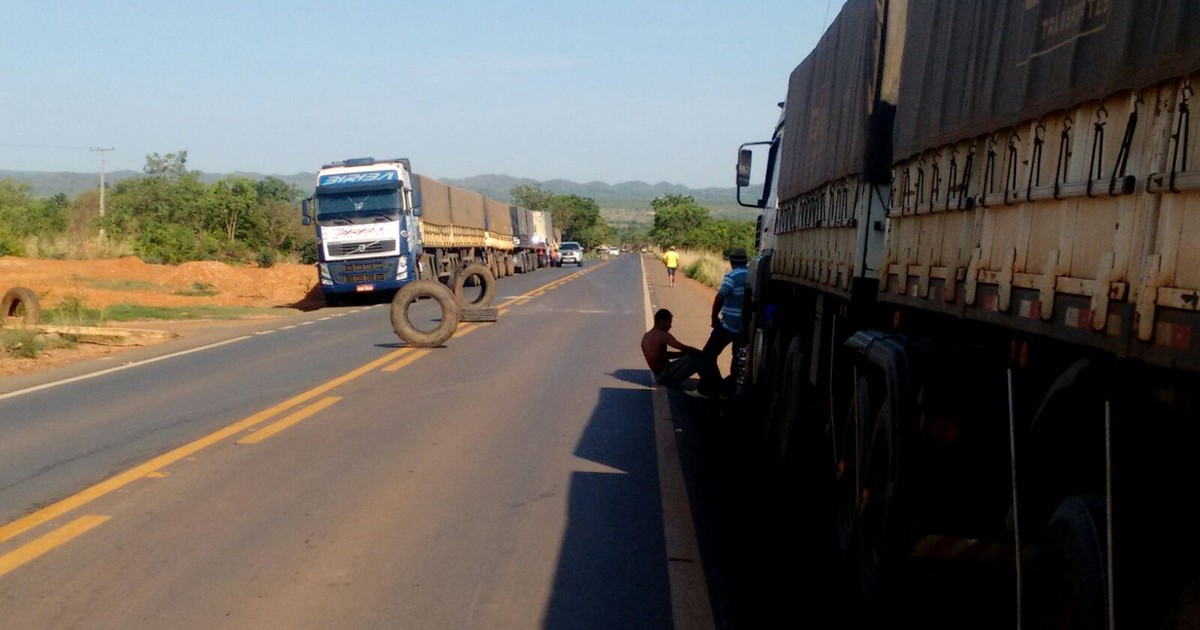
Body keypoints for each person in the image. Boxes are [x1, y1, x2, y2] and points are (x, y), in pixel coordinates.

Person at [688, 247, 750, 399]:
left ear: (731, 261)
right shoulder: (750, 275)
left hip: (728, 324)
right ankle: (729, 390)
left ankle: (709, 389)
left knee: (708, 355)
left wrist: (714, 317)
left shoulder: (732, 276)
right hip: (744, 326)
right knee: (737, 358)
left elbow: (720, 297)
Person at [641, 308, 717, 389]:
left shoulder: (646, 337)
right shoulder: (664, 336)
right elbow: (683, 347)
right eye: (669, 322)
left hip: (659, 376)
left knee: (691, 356)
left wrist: (682, 354)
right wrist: (703, 353)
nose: (670, 326)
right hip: (665, 376)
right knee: (698, 359)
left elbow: (660, 356)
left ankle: (710, 383)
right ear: (662, 321)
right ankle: (710, 386)